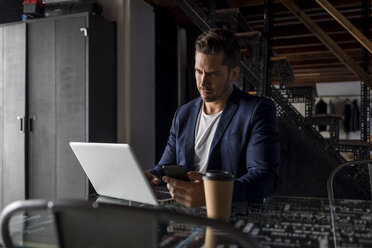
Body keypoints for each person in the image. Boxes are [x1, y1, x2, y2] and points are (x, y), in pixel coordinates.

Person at [145, 29, 280, 207]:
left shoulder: (257, 110)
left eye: (212, 74)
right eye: (198, 71)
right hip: (186, 220)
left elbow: (265, 178)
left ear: (234, 74)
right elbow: (165, 166)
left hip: (233, 221)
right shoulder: (183, 114)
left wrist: (212, 194)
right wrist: (151, 176)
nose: (202, 82)